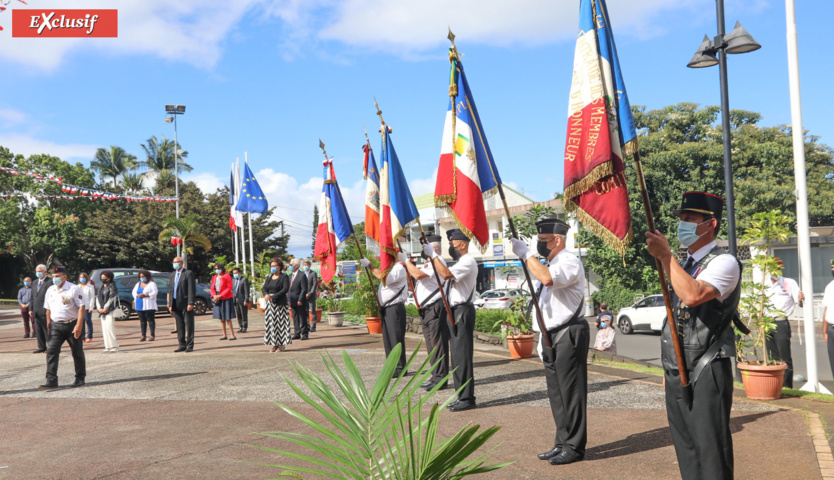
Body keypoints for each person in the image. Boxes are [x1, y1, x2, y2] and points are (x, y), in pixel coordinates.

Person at [646, 191, 742, 480]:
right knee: (686, 447)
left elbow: (692, 295)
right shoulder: (685, 264)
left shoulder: (724, 262)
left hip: (706, 368)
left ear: (710, 224)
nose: (682, 224)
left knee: (711, 448)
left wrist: (666, 256)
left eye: (690, 219)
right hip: (678, 368)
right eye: (682, 218)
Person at [511, 218, 588, 466]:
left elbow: (547, 279)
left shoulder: (569, 261)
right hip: (551, 335)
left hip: (568, 333)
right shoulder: (551, 262)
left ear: (557, 240)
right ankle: (562, 442)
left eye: (543, 241)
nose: (539, 245)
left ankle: (574, 447)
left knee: (571, 392)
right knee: (556, 393)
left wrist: (526, 254)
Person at [423, 229, 479, 412]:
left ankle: (467, 398)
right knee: (456, 356)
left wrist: (433, 255)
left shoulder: (468, 261)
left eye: (453, 245)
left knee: (462, 356)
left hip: (462, 311)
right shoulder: (460, 262)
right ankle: (461, 394)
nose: (451, 248)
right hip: (453, 311)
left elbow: (445, 274)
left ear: (462, 245)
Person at [403, 235, 449, 390]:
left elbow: (417, 275)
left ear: (433, 249)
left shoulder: (438, 262)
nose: (422, 250)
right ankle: (435, 376)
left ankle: (441, 379)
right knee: (431, 346)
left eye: (425, 247)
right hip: (426, 310)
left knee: (438, 345)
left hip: (435, 308)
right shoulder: (429, 263)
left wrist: (405, 261)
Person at [360, 250, 409, 376]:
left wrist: (370, 265)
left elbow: (383, 278)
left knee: (395, 339)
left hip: (395, 308)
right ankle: (391, 366)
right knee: (388, 340)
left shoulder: (399, 268)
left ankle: (400, 368)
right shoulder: (391, 269)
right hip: (387, 308)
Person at [40, 266, 86, 389]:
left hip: (72, 324)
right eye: (54, 277)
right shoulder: (51, 290)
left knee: (77, 352)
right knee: (51, 352)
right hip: (56, 326)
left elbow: (82, 307)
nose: (55, 279)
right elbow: (48, 309)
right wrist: (49, 325)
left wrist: (79, 326)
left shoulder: (74, 289)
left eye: (58, 276)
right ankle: (51, 380)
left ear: (65, 277)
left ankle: (80, 378)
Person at [763, 258, 803, 388]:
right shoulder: (764, 284)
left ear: (780, 268)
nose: (772, 271)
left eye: (775, 267)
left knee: (784, 356)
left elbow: (799, 302)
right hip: (766, 322)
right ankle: (775, 386)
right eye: (770, 268)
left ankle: (787, 386)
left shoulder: (788, 283)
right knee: (771, 356)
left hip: (780, 323)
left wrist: (801, 298)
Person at [168, 257, 197, 352]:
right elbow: (170, 290)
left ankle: (189, 345)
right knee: (179, 325)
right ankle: (181, 344)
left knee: (189, 325)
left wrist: (191, 302)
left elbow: (191, 289)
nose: (175, 264)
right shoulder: (172, 275)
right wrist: (170, 304)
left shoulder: (188, 273)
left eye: (177, 262)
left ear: (181, 263)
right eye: (174, 262)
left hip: (185, 303)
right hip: (176, 303)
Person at [262, 257, 291, 352]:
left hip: (280, 304)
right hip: (270, 305)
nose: (272, 268)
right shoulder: (269, 277)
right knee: (271, 325)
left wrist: (273, 297)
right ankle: (274, 344)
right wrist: (266, 294)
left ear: (279, 267)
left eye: (274, 266)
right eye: (271, 266)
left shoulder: (284, 276)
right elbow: (264, 288)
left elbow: (285, 289)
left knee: (280, 325)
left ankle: (281, 345)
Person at [96, 270, 120, 353]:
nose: (103, 279)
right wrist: (99, 308)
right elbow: (97, 298)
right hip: (102, 311)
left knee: (110, 328)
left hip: (110, 310)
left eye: (105, 278)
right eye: (102, 278)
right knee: (104, 329)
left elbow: (111, 298)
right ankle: (107, 346)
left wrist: (105, 307)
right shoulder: (101, 287)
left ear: (109, 278)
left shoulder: (112, 287)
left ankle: (114, 346)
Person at [211, 263, 237, 341]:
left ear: (222, 268)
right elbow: (212, 288)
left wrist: (221, 295)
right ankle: (224, 334)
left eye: (218, 268)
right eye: (215, 269)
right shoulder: (214, 277)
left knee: (227, 317)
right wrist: (214, 295)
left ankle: (232, 335)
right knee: (221, 317)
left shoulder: (227, 276)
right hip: (217, 297)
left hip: (226, 297)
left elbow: (229, 288)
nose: (217, 270)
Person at [133, 270, 159, 342]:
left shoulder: (152, 284)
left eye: (143, 276)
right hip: (139, 305)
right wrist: (137, 295)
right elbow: (134, 292)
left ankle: (152, 335)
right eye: (141, 277)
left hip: (149, 305)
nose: (142, 278)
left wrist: (146, 295)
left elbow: (155, 292)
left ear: (147, 277)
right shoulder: (138, 284)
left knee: (150, 320)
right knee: (142, 321)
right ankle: (143, 335)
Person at [288, 259, 309, 341]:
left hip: (300, 300)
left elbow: (304, 289)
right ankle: (297, 333)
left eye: (291, 264)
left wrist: (300, 299)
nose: (290, 266)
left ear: (296, 266)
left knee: (302, 317)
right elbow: (288, 289)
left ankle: (304, 333)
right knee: (295, 317)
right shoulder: (290, 276)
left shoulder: (302, 275)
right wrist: (288, 299)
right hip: (292, 300)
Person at [31, 264, 50, 354]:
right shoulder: (34, 282)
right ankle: (41, 346)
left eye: (40, 271)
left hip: (45, 310)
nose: (38, 273)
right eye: (37, 271)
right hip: (36, 310)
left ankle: (50, 346)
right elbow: (32, 297)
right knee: (38, 330)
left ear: (45, 272)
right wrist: (31, 309)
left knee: (47, 329)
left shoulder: (49, 281)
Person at [822, 262, 834, 380]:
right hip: (831, 330)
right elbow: (827, 309)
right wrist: (825, 332)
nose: (832, 270)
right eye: (831, 268)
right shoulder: (830, 286)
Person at [77, 273, 96, 344]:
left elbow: (92, 297)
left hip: (87, 307)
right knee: (81, 321)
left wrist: (91, 307)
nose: (82, 279)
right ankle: (82, 336)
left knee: (88, 321)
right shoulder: (77, 287)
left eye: (83, 277)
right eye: (81, 277)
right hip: (79, 307)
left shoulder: (90, 286)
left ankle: (89, 336)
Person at [231, 267, 250, 333]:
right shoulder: (233, 280)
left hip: (242, 299)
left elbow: (246, 290)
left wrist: (246, 299)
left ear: (239, 273)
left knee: (243, 313)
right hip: (235, 299)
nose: (235, 274)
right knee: (238, 313)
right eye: (233, 273)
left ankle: (245, 327)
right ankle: (240, 326)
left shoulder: (244, 279)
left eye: (236, 273)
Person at [303, 260, 319, 333]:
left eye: (306, 264)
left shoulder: (313, 273)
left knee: (312, 311)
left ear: (309, 265)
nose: (305, 266)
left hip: (311, 296)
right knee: (305, 311)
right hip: (303, 296)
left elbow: (314, 285)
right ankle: (307, 326)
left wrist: (309, 293)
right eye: (304, 264)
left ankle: (313, 326)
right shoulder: (302, 274)